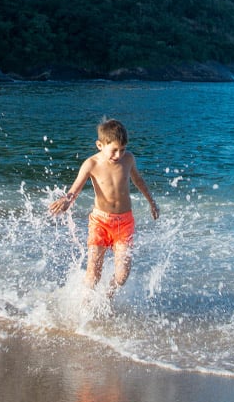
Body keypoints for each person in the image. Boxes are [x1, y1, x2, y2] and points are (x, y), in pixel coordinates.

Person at [49, 118, 159, 297]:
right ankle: (85, 305)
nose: (118, 155)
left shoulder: (128, 159)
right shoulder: (91, 164)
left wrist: (151, 202)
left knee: (122, 275)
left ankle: (107, 297)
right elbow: (75, 189)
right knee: (93, 274)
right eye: (114, 150)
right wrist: (67, 201)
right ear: (100, 145)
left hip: (124, 223)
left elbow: (138, 180)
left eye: (122, 150)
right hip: (100, 222)